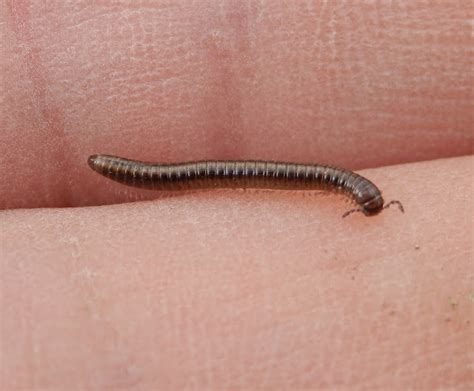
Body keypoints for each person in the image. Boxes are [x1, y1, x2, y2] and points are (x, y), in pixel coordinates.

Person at [1, 1, 472, 389]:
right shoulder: (336, 183)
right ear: (354, 192)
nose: (368, 203)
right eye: (368, 199)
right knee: (198, 175)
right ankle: (124, 170)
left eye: (366, 200)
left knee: (219, 175)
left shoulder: (335, 183)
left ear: (353, 194)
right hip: (151, 171)